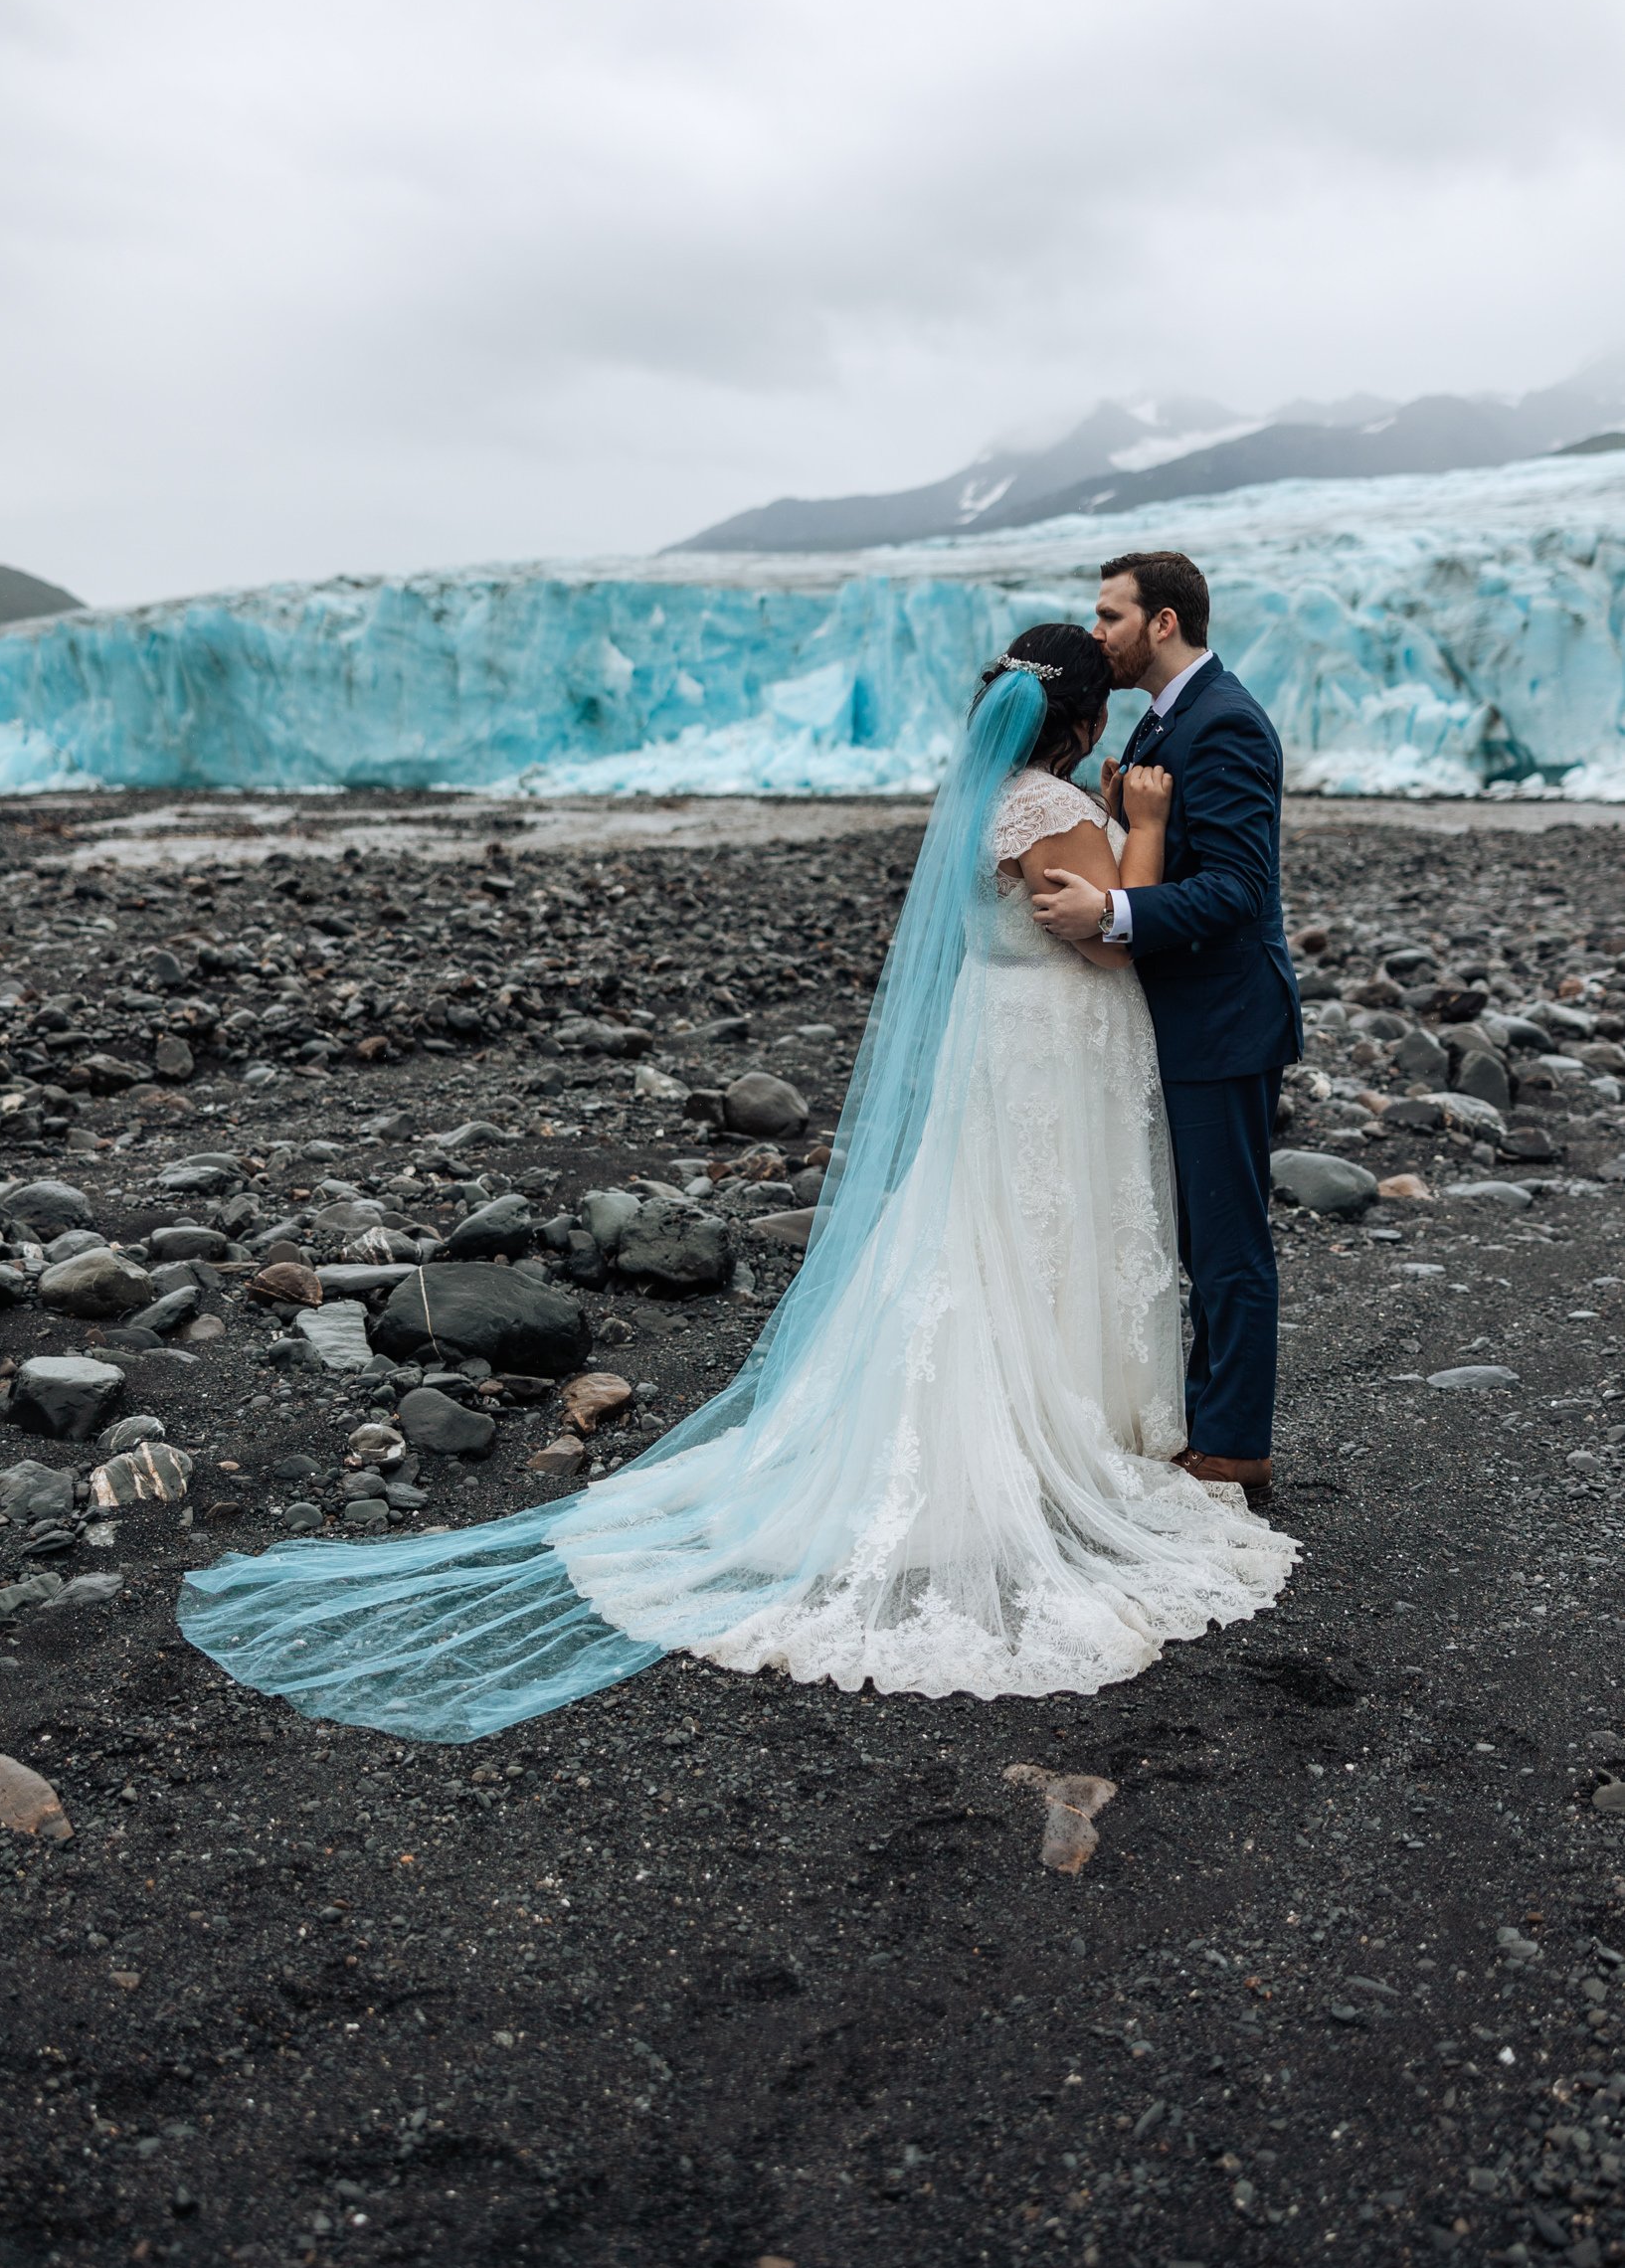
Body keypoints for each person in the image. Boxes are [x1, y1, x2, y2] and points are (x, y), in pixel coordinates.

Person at [179, 624, 1295, 1742]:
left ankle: (1013, 1411)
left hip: (997, 1040)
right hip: (1058, 1038)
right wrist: (1141, 826)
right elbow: (1108, 945)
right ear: (1087, 723)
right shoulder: (1049, 812)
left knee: (986, 1226)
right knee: (1059, 1227)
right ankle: (1062, 1430)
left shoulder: (978, 803)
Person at [1029, 552, 1304, 1495]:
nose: (1094, 631)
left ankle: (1233, 1444)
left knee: (1223, 1240)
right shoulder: (1166, 718)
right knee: (1187, 1230)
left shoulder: (1223, 723)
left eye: (1109, 616)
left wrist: (1110, 917)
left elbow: (1236, 887)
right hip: (1179, 1016)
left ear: (1161, 623)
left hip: (1222, 1019)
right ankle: (1200, 1415)